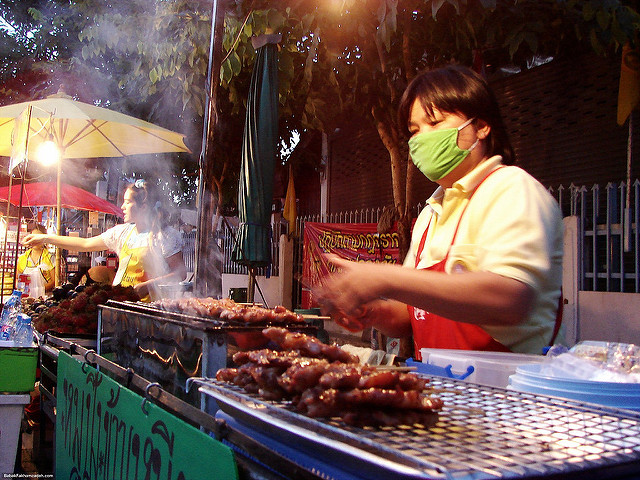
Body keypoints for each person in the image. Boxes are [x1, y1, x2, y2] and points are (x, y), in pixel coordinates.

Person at [317, 65, 564, 358]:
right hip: (437, 392)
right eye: (414, 130)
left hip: (504, 394)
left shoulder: (512, 189)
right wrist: (371, 313)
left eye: (434, 123)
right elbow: (411, 315)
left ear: (481, 126)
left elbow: (511, 298)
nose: (422, 138)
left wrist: (385, 278)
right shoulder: (430, 214)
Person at [22, 180, 187, 301]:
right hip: (122, 305)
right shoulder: (122, 233)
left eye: (127, 202)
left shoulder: (165, 235)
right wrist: (45, 238)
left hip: (152, 311)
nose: (122, 206)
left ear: (143, 207)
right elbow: (85, 244)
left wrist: (148, 285)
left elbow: (180, 274)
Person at [17, 224, 55, 295]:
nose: (35, 241)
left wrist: (38, 290)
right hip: (26, 297)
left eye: (38, 238)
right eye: (33, 237)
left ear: (44, 239)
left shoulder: (50, 257)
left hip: (45, 297)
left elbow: (54, 281)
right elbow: (18, 279)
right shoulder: (23, 258)